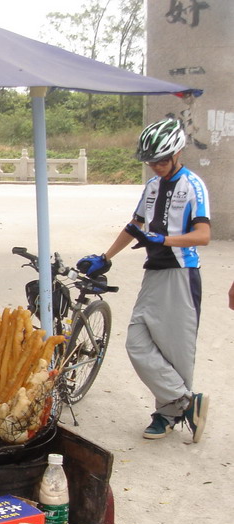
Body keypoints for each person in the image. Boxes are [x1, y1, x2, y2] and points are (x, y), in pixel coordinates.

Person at [78, 117, 210, 442]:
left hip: (181, 274)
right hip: (154, 273)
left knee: (175, 350)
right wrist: (106, 257)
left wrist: (163, 240)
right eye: (151, 161)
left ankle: (167, 415)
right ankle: (186, 402)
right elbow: (134, 225)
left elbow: (203, 235)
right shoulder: (151, 186)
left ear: (177, 153)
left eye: (162, 160)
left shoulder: (193, 186)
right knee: (137, 342)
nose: (157, 166)